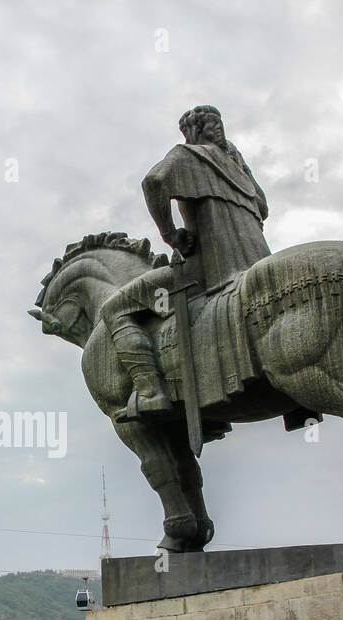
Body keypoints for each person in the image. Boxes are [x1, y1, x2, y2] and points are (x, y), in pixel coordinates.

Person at [100, 105, 271, 419]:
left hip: (207, 268)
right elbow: (264, 206)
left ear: (191, 132)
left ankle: (151, 391)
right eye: (214, 124)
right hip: (258, 263)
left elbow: (153, 181)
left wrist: (171, 235)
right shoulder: (239, 170)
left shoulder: (189, 157)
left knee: (113, 308)